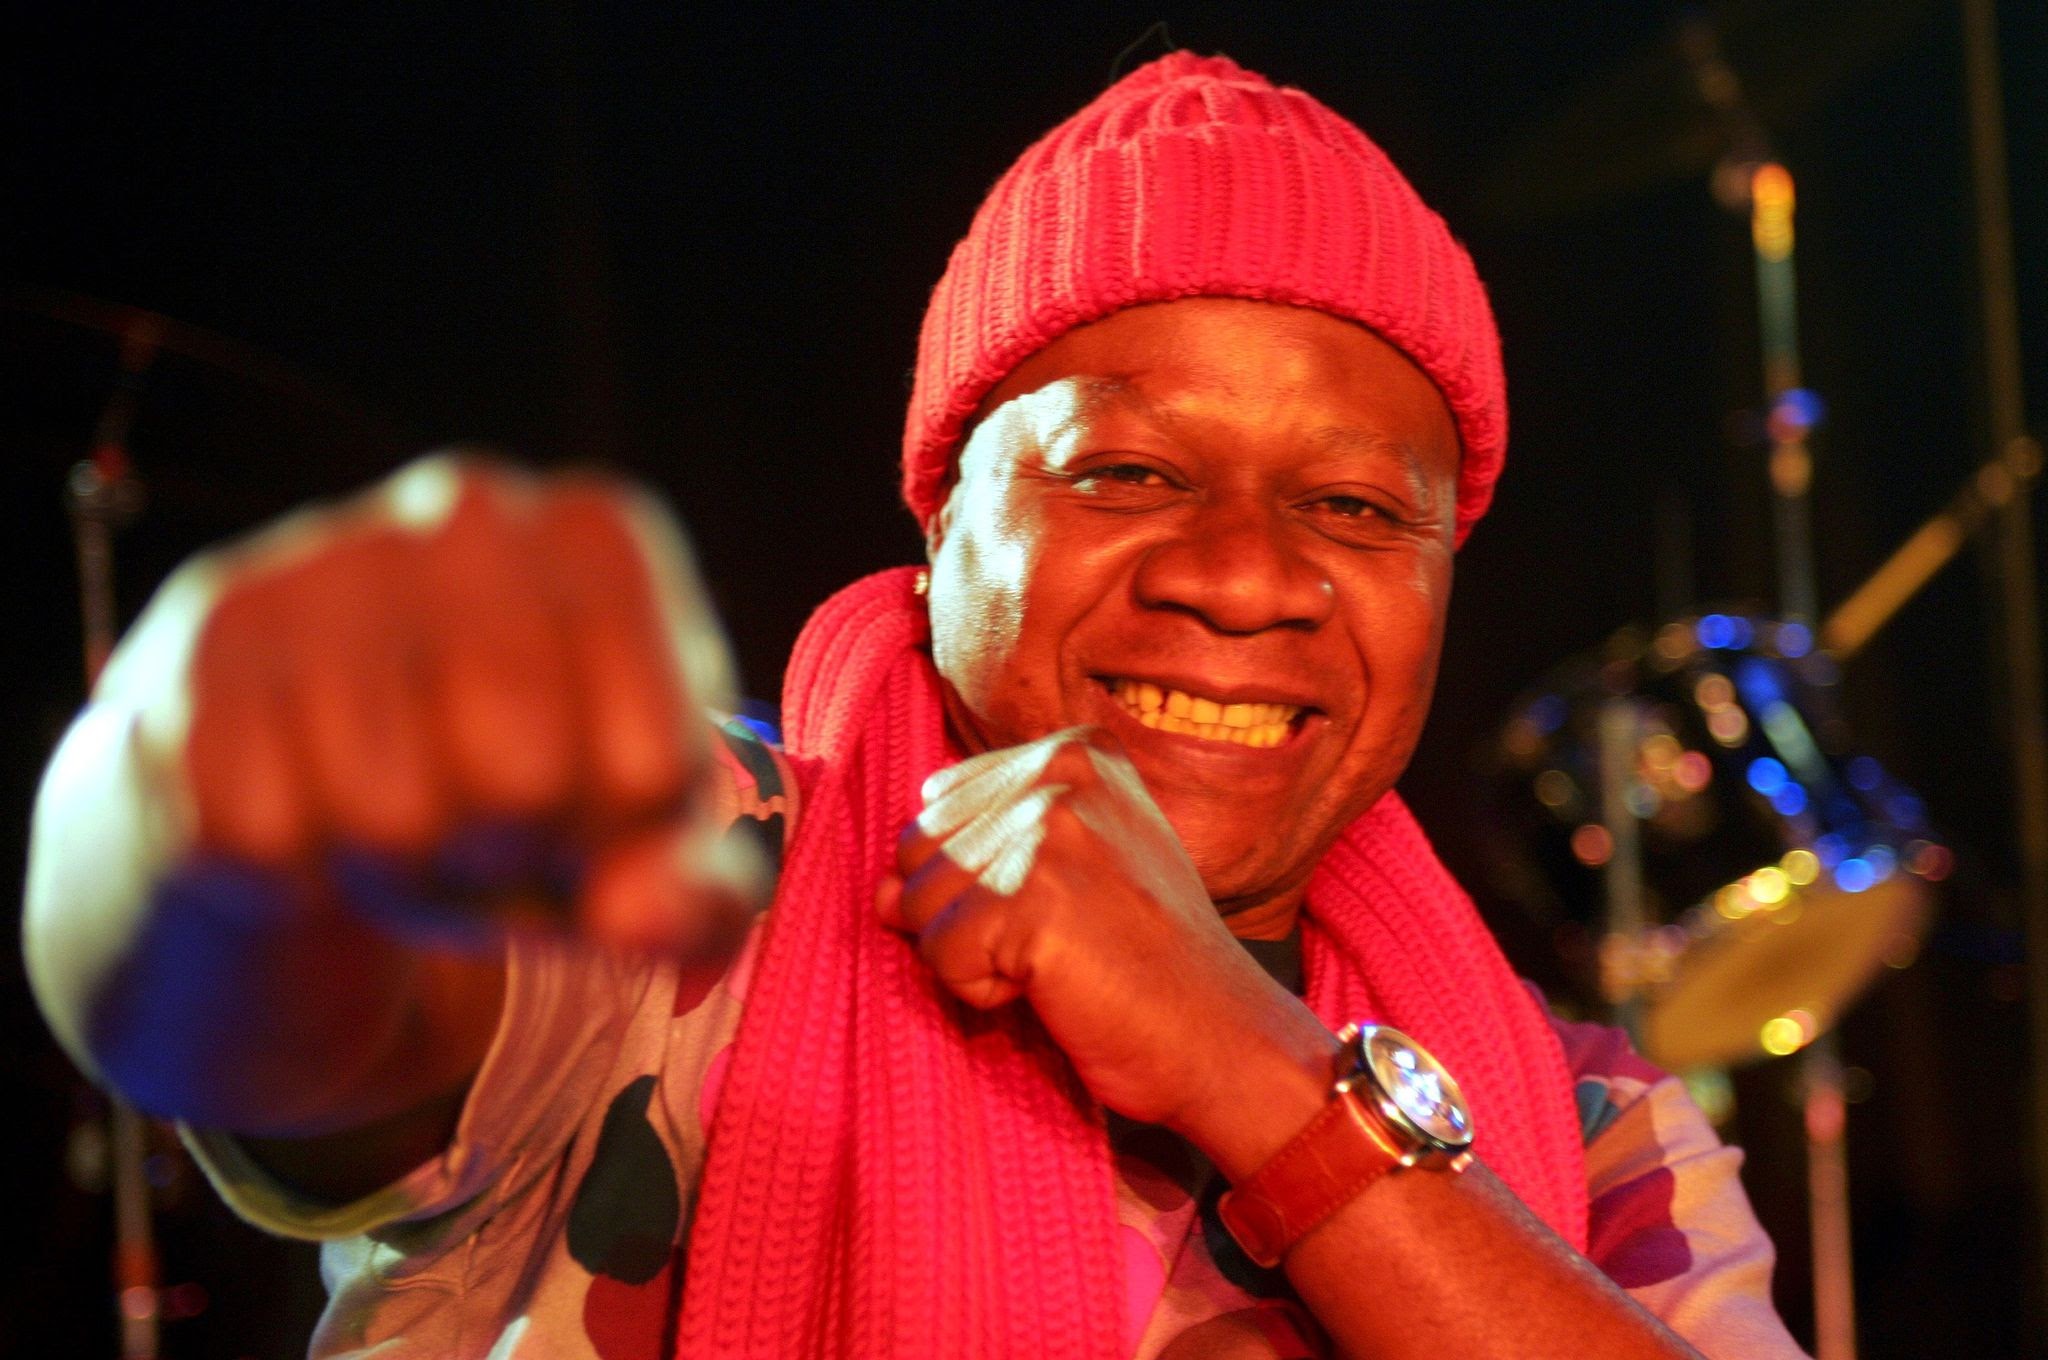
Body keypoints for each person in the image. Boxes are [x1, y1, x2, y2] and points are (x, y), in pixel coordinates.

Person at [25, 52, 1808, 1359]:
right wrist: (212, 780)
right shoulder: (686, 873)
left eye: (1351, 508)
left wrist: (1255, 1070)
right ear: (943, 519)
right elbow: (242, 964)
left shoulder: (1589, 1128)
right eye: (1125, 473)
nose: (1241, 577)